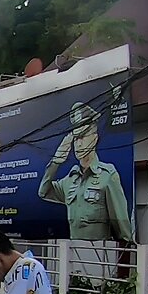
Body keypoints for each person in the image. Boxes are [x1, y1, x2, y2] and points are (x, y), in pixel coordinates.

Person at [38, 101, 132, 242]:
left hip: (99, 254)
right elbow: (43, 192)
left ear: (94, 139)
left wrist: (126, 247)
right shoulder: (70, 180)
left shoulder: (107, 175)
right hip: (72, 255)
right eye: (76, 139)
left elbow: (120, 221)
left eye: (82, 137)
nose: (79, 144)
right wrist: (56, 161)